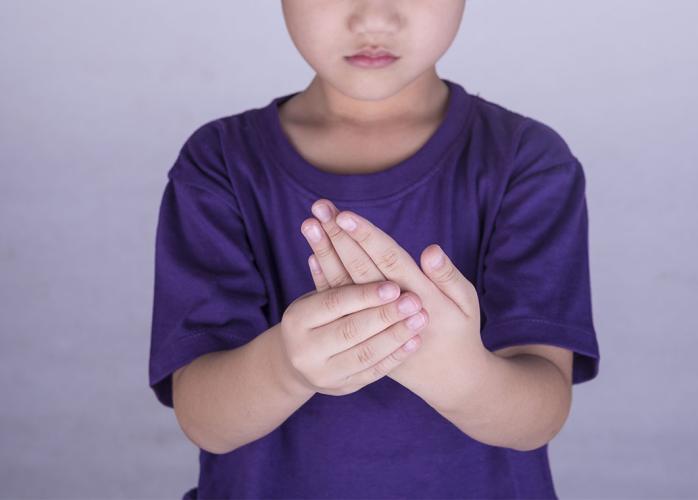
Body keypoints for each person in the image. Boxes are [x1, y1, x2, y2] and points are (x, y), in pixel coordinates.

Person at [148, 0, 601, 498]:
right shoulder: (220, 166)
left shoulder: (526, 163)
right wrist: (285, 366)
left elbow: (540, 414)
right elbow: (205, 420)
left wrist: (462, 376)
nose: (374, 18)